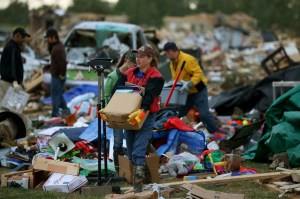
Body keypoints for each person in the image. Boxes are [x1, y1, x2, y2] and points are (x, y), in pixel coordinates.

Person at [114, 45, 164, 192]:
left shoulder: (156, 77)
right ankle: (144, 180)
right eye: (137, 56)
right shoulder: (129, 72)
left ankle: (138, 187)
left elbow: (149, 96)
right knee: (130, 153)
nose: (138, 58)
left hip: (146, 116)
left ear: (150, 58)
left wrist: (143, 110)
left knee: (138, 152)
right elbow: (117, 90)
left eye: (141, 56)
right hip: (129, 115)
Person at [163, 41, 219, 134]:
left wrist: (189, 83)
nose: (166, 56)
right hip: (186, 93)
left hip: (198, 90)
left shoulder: (187, 60)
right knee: (178, 114)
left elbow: (198, 73)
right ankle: (175, 134)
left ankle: (215, 133)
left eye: (166, 54)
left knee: (204, 115)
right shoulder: (172, 63)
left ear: (171, 52)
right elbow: (175, 78)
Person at [103, 50, 136, 173]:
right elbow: (106, 96)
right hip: (115, 113)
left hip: (128, 112)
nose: (135, 67)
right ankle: (119, 170)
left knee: (131, 139)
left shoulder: (132, 74)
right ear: (128, 62)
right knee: (117, 142)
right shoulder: (113, 76)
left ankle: (130, 167)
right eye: (134, 64)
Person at [44, 27, 70, 117]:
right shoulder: (57, 46)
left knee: (55, 95)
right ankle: (66, 110)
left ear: (53, 37)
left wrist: (62, 74)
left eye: (49, 38)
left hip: (58, 76)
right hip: (57, 75)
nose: (48, 40)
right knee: (58, 94)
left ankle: (55, 113)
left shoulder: (57, 48)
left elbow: (63, 63)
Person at [0, 27, 30, 93]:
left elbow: (16, 64)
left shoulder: (14, 47)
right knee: (8, 103)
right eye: (23, 37)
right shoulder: (12, 47)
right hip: (8, 82)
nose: (24, 40)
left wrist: (20, 81)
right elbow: (12, 64)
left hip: (10, 82)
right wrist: (15, 81)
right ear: (17, 36)